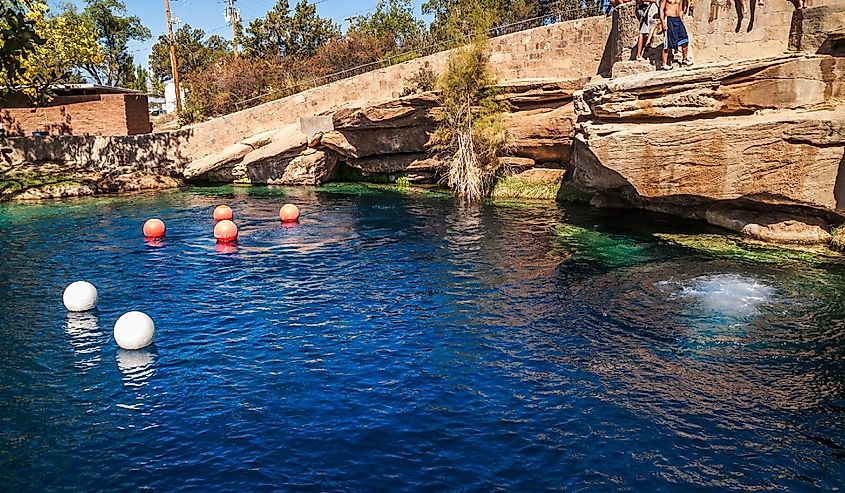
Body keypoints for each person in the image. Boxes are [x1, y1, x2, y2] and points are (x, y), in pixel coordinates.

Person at [660, 0, 693, 69]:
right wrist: (663, 23)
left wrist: (681, 17)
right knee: (667, 42)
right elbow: (661, 9)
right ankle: (664, 64)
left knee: (685, 38)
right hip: (669, 19)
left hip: (678, 20)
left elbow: (680, 8)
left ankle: (685, 59)